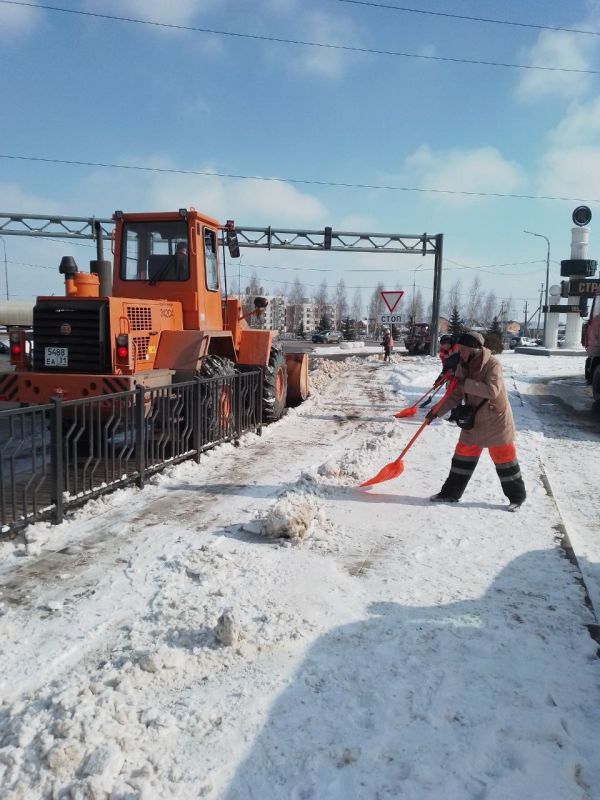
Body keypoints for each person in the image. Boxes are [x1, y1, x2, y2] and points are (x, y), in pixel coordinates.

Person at [426, 330, 526, 512]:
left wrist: (465, 384)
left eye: (463, 350)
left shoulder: (492, 364)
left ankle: (517, 498)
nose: (460, 353)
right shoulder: (462, 365)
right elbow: (455, 393)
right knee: (462, 456)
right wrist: (436, 411)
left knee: (505, 459)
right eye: (459, 349)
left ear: (474, 349)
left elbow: (492, 390)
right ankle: (450, 493)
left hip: (496, 420)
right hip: (473, 419)